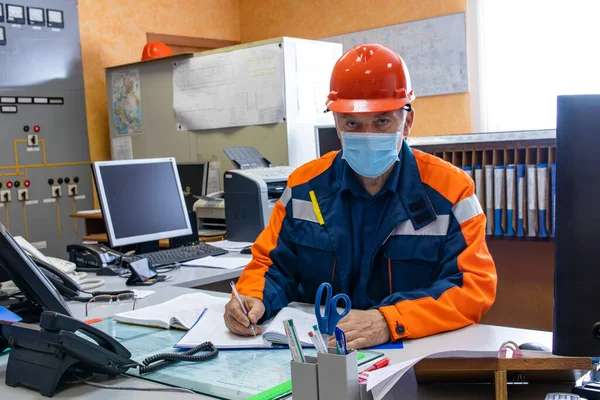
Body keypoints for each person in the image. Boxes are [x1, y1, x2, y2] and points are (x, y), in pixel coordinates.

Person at [224, 43, 497, 349]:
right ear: (337, 126)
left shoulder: (451, 192)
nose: (368, 134)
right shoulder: (304, 187)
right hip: (320, 353)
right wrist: (252, 297)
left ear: (407, 122)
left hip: (409, 352)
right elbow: (271, 264)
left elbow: (472, 288)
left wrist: (389, 319)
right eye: (352, 123)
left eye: (382, 121)